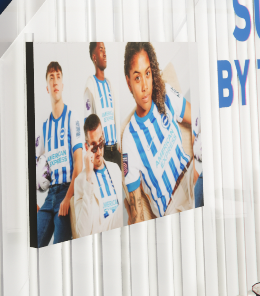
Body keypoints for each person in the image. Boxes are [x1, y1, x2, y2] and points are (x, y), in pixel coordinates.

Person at [119, 41, 198, 221]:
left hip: (191, 178)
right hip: (173, 206)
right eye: (137, 77)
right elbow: (138, 213)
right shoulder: (130, 140)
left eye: (147, 73)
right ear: (128, 82)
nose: (145, 85)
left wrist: (197, 139)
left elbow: (198, 119)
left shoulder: (165, 95)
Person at [34, 60, 77, 246]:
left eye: (58, 77)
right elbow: (32, 164)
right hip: (49, 196)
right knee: (34, 243)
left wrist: (67, 199)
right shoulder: (44, 128)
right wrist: (33, 200)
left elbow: (79, 165)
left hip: (67, 192)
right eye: (51, 77)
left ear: (62, 85)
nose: (55, 81)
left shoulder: (71, 117)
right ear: (47, 88)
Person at [69, 113, 124, 237]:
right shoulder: (81, 181)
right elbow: (82, 232)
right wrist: (89, 177)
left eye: (101, 143)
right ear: (86, 147)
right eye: (94, 146)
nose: (99, 151)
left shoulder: (115, 168)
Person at [82, 41, 121, 153]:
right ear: (94, 57)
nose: (105, 54)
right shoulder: (90, 87)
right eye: (101, 50)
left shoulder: (109, 85)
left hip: (116, 149)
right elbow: (87, 124)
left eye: (105, 50)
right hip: (102, 152)